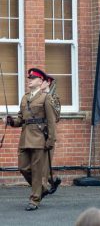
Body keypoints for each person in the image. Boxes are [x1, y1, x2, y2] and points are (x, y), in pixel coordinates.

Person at [4, 68, 57, 211]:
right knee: (23, 167)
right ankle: (42, 188)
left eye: (33, 78)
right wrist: (12, 121)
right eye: (29, 78)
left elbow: (51, 121)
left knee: (37, 171)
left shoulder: (46, 97)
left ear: (40, 81)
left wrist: (51, 140)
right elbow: (21, 119)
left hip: (39, 138)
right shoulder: (25, 97)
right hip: (25, 137)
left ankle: (35, 199)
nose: (30, 80)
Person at [41, 74, 61, 198]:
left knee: (45, 164)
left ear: (48, 82)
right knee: (41, 164)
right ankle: (53, 180)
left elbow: (56, 117)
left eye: (42, 81)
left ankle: (41, 190)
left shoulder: (53, 97)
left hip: (48, 134)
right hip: (36, 133)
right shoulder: (36, 96)